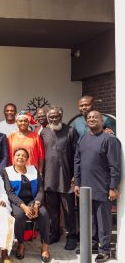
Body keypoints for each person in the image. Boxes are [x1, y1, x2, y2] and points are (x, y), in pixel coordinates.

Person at [74, 110, 121, 262]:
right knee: (90, 219)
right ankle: (93, 244)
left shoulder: (109, 139)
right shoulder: (83, 139)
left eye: (95, 117)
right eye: (89, 117)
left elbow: (115, 165)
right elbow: (77, 162)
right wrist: (77, 183)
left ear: (102, 121)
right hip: (85, 187)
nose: (92, 119)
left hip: (102, 186)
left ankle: (104, 250)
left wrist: (113, 187)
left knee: (103, 220)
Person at [2, 148, 50, 262]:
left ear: (27, 159)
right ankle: (21, 244)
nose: (20, 157)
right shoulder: (7, 171)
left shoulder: (33, 169)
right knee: (18, 215)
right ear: (13, 157)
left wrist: (37, 204)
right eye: (18, 155)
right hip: (17, 201)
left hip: (33, 200)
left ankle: (45, 247)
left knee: (43, 214)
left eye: (24, 156)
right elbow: (10, 193)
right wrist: (24, 207)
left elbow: (40, 189)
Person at [40, 106, 78, 249]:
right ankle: (55, 233)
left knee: (68, 209)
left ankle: (72, 235)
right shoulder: (43, 132)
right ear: (48, 118)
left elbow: (77, 155)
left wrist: (76, 175)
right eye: (51, 117)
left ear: (61, 116)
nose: (54, 119)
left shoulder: (70, 131)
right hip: (49, 178)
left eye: (56, 116)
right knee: (52, 210)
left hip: (67, 177)